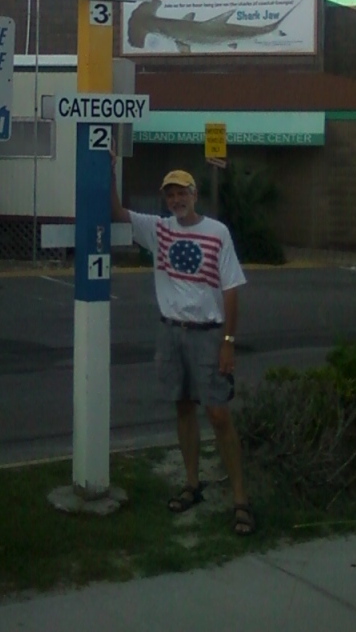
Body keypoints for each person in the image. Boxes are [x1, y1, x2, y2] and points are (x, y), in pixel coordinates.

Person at [110, 158, 254, 535]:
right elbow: (117, 211)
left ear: (194, 194)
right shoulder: (158, 230)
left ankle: (241, 498)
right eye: (170, 194)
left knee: (219, 416)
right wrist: (108, 169)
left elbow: (231, 289)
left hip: (208, 333)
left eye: (181, 192)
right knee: (183, 407)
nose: (176, 199)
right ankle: (192, 483)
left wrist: (228, 341)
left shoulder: (217, 232)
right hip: (171, 332)